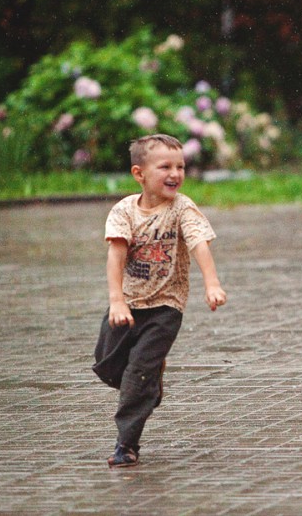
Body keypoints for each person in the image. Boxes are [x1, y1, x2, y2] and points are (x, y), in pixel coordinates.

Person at [92, 134, 227, 468]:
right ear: (139, 173)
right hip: (127, 303)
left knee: (137, 375)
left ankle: (126, 444)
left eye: (180, 166)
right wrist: (117, 301)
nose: (175, 173)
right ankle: (150, 382)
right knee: (107, 365)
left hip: (166, 307)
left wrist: (212, 284)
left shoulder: (182, 208)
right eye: (165, 166)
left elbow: (199, 244)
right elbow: (116, 258)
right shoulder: (123, 211)